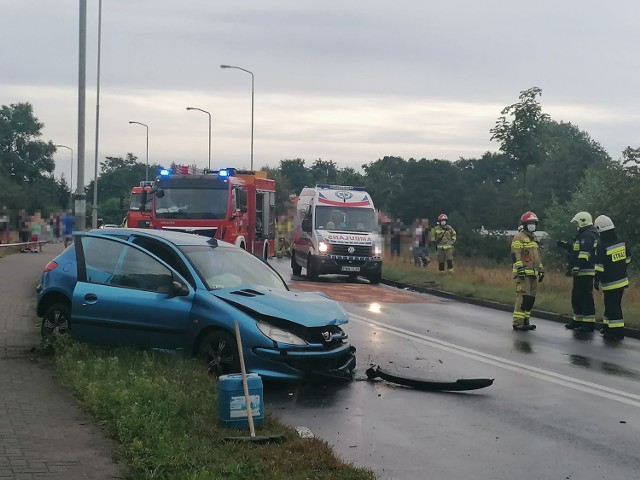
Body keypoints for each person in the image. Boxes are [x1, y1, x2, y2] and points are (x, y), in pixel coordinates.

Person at [558, 212, 599, 332]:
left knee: (585, 298)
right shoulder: (585, 235)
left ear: (583, 221)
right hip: (581, 272)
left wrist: (577, 267)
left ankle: (588, 324)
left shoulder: (586, 235)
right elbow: (577, 251)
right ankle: (577, 321)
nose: (576, 226)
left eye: (577, 223)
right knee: (576, 297)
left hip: (585, 272)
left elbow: (584, 254)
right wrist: (567, 247)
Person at [594, 215, 631, 340]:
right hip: (622, 280)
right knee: (611, 304)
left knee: (613, 306)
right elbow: (628, 258)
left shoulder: (601, 245)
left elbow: (599, 266)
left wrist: (596, 280)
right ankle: (607, 327)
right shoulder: (621, 241)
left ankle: (617, 332)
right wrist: (619, 267)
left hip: (610, 282)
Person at [511, 211, 544, 331]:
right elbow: (515, 254)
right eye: (530, 223)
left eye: (534, 223)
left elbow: (537, 257)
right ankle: (517, 322)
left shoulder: (534, 238)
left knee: (530, 299)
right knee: (523, 297)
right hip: (523, 273)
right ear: (524, 224)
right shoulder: (519, 237)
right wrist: (519, 268)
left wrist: (541, 269)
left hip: (533, 274)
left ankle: (526, 321)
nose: (532, 225)